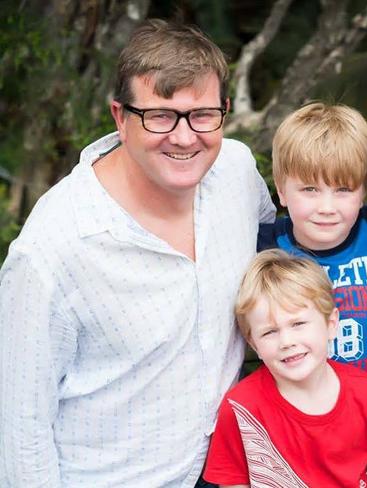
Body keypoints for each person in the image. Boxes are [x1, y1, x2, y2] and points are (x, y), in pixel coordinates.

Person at [0, 19, 274, 487]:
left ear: (224, 110)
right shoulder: (53, 250)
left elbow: (286, 245)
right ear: (119, 117)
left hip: (225, 472)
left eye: (203, 114)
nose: (185, 137)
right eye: (161, 116)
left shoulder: (236, 172)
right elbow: (21, 432)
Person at [257, 102, 367, 409]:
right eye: (310, 190)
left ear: (363, 191)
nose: (326, 207)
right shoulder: (265, 248)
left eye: (343, 189)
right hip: (303, 424)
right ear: (281, 190)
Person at [202, 249, 367, 487]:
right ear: (253, 342)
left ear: (331, 324)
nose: (287, 342)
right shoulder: (241, 407)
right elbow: (233, 483)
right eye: (269, 332)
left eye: (298, 324)